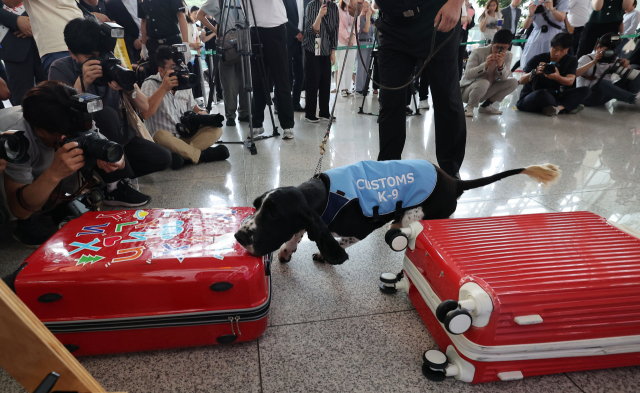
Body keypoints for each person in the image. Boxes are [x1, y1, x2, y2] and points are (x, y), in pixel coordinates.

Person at [49, 17, 172, 206]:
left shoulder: (112, 62)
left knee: (162, 158)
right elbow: (61, 117)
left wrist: (128, 87)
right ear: (72, 53)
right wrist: (82, 82)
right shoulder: (60, 68)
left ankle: (106, 176)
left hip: (120, 137)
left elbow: (145, 107)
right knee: (106, 113)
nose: (98, 61)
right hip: (87, 142)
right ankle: (114, 187)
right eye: (90, 58)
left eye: (100, 55)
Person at [1, 81, 127, 246]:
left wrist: (114, 159)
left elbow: (120, 160)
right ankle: (22, 227)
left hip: (43, 158)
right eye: (67, 136)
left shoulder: (76, 117)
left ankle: (57, 206)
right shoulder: (17, 138)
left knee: (70, 157)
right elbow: (19, 209)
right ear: (40, 131)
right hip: (7, 159)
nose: (76, 137)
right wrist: (54, 174)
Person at [374, 0, 466, 179]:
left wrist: (455, 3)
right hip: (392, 24)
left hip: (435, 17)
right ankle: (387, 171)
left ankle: (451, 173)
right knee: (389, 101)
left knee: (447, 98)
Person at [140, 45, 229, 168]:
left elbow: (193, 107)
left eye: (180, 65)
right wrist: (163, 89)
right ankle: (203, 155)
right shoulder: (150, 84)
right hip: (165, 140)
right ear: (161, 70)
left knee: (216, 129)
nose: (179, 70)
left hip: (186, 135)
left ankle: (183, 156)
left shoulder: (184, 82)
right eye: (173, 67)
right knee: (159, 135)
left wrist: (203, 114)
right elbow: (145, 114)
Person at [242, 0, 296, 140]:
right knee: (258, 78)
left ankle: (287, 124)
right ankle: (257, 123)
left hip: (275, 26)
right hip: (253, 27)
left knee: (281, 78)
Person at [3, 0, 99, 75]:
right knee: (65, 95)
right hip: (56, 43)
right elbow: (10, 2)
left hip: (82, 36)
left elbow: (94, 2)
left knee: (92, 93)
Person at [197, 0, 250, 127]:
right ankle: (230, 115)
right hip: (227, 45)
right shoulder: (217, 1)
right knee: (229, 83)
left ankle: (245, 112)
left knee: (246, 81)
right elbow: (200, 15)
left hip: (246, 42)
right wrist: (215, 30)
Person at [517, 32, 591, 115]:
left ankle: (558, 108)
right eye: (555, 49)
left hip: (555, 95)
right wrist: (534, 72)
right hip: (533, 95)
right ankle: (566, 106)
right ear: (550, 46)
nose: (557, 53)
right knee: (542, 93)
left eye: (562, 50)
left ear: (567, 49)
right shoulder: (537, 59)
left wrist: (557, 77)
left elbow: (570, 81)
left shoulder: (570, 61)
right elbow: (521, 80)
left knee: (586, 90)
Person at [461, 29, 519, 117]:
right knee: (484, 83)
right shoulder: (478, 52)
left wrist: (501, 67)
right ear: (492, 43)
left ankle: (486, 106)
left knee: (514, 82)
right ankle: (469, 107)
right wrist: (485, 65)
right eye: (497, 47)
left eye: (504, 48)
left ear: (509, 46)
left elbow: (504, 77)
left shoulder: (508, 55)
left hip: (488, 88)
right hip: (468, 90)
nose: (499, 50)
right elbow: (468, 74)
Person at [0, 1, 47, 106]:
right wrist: (16, 21)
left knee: (55, 96)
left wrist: (35, 22)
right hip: (13, 44)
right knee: (22, 101)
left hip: (48, 41)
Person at [576, 32, 640, 106]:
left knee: (635, 74)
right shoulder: (586, 58)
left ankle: (630, 95)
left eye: (612, 50)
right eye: (606, 50)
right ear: (598, 48)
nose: (609, 53)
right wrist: (594, 62)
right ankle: (633, 99)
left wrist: (626, 66)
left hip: (604, 97)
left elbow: (626, 77)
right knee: (602, 83)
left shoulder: (613, 59)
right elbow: (575, 74)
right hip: (587, 97)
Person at [303, 0, 339, 123]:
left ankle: (324, 112)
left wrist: (333, 51)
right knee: (312, 81)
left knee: (325, 81)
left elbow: (335, 30)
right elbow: (312, 30)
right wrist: (319, 15)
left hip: (326, 48)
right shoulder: (311, 6)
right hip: (313, 47)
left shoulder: (334, 7)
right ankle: (310, 113)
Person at [138, 0, 190, 73]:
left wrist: (186, 43)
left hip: (171, 41)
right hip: (153, 44)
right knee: (155, 75)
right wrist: (143, 45)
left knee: (176, 74)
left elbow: (180, 15)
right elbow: (144, 20)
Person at [520, 0, 568, 67]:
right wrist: (530, 13)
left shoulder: (561, 1)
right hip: (537, 37)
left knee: (553, 64)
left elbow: (561, 18)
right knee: (531, 64)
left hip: (555, 37)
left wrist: (551, 9)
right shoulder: (536, 1)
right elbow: (525, 26)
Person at [284, 0, 310, 112]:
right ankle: (281, 104)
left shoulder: (309, 1)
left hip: (302, 41)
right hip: (288, 40)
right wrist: (296, 33)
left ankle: (295, 103)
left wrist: (303, 34)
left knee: (300, 74)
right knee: (285, 74)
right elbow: (283, 18)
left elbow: (310, 18)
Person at [105, 0, 143, 64]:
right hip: (134, 51)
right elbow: (116, 31)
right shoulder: (111, 5)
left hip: (153, 42)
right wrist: (132, 42)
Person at [336, 0, 358, 96]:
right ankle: (341, 89)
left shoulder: (355, 7)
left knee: (350, 65)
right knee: (342, 64)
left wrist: (352, 37)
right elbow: (339, 25)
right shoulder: (339, 9)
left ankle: (347, 88)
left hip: (353, 41)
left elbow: (357, 24)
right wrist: (347, 37)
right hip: (342, 40)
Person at [355, 1, 375, 96]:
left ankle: (364, 86)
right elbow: (366, 30)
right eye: (364, 6)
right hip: (362, 43)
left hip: (370, 44)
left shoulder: (371, 19)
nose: (366, 8)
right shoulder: (359, 18)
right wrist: (368, 18)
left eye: (368, 6)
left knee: (367, 66)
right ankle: (359, 87)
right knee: (361, 66)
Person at [459, 0, 475, 80]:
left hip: (463, 37)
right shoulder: (456, 3)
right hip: (453, 35)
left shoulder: (471, 8)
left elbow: (472, 24)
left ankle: (458, 80)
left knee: (460, 59)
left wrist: (470, 19)